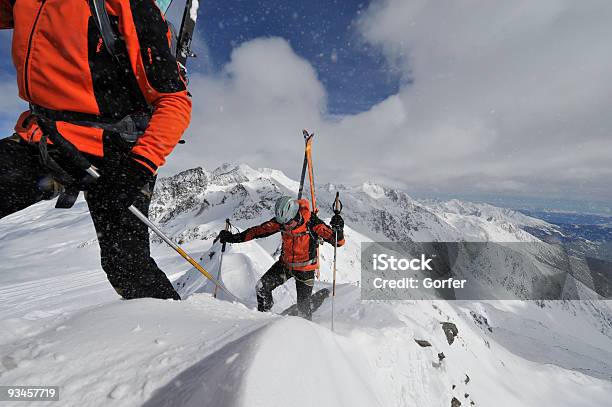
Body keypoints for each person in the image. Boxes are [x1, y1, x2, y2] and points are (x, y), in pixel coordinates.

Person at [0, 1, 191, 300]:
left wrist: (138, 168)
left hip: (117, 153)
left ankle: (188, 338)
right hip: (44, 138)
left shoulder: (127, 4)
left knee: (127, 269)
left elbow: (174, 102)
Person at [219, 196, 345, 320]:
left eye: (289, 223)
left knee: (303, 310)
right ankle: (264, 319)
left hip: (305, 270)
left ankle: (307, 333)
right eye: (282, 224)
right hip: (285, 265)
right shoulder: (282, 222)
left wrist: (338, 229)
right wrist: (233, 238)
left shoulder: (312, 223)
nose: (286, 227)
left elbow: (338, 242)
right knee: (262, 287)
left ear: (296, 216)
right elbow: (258, 231)